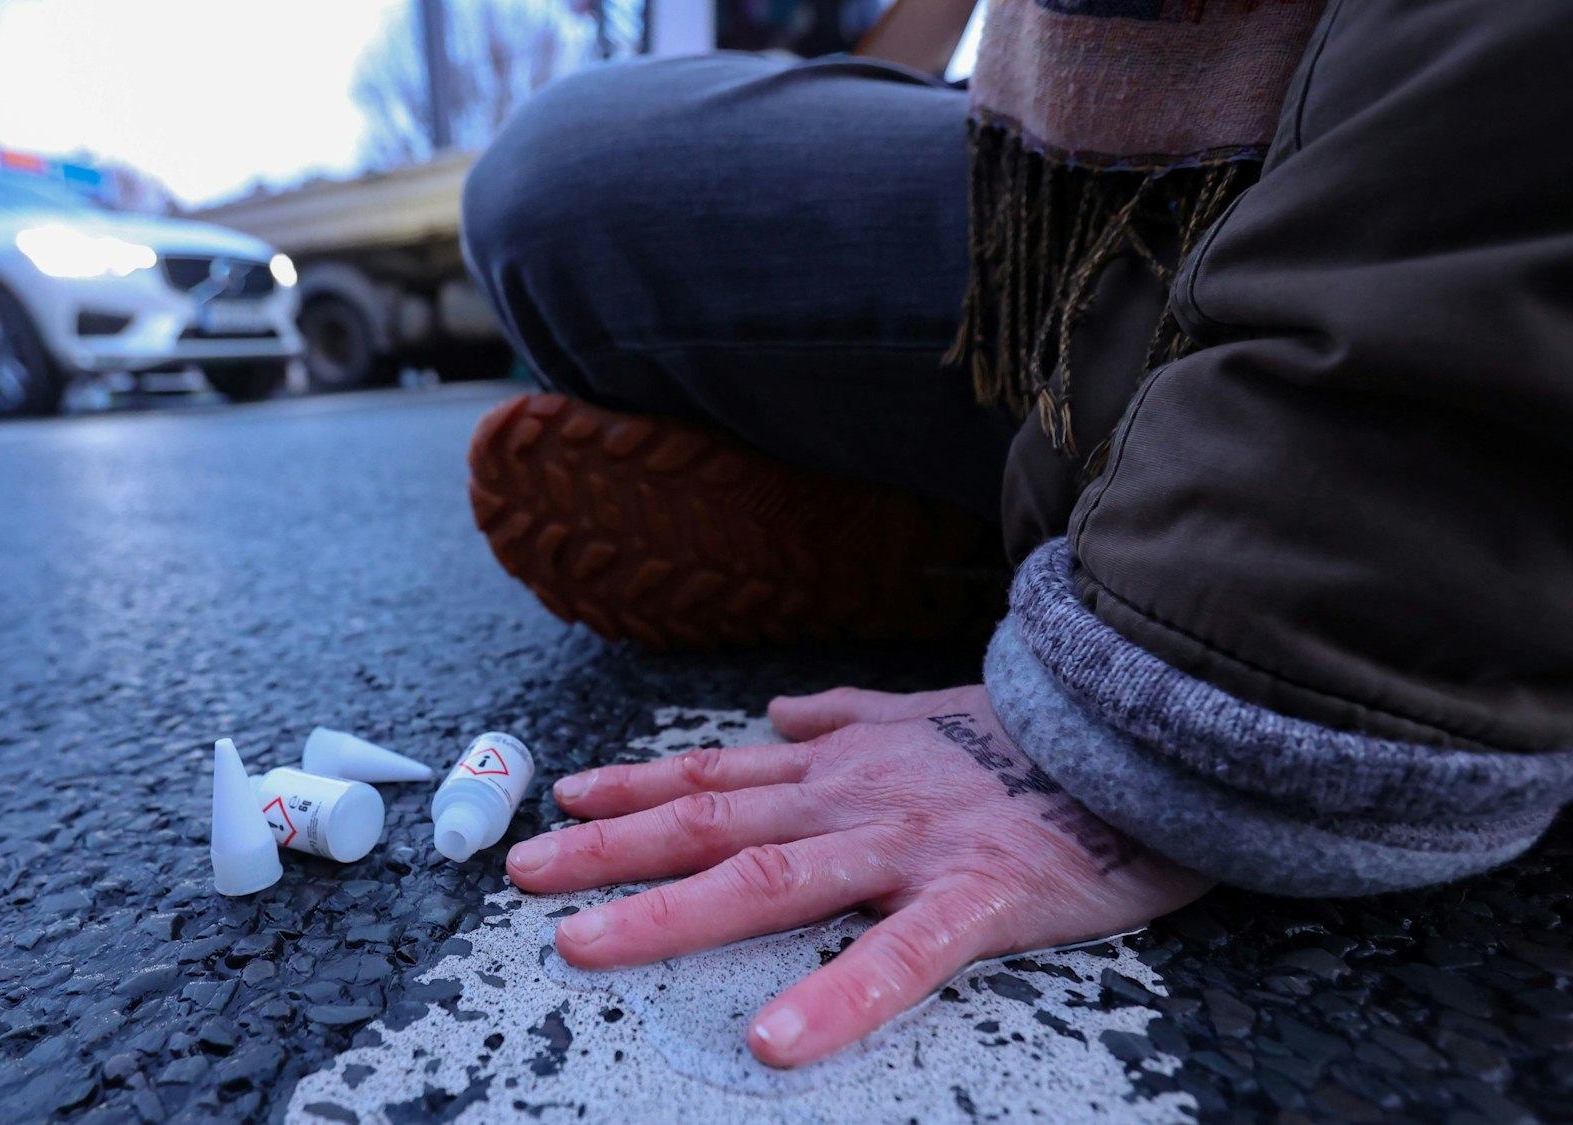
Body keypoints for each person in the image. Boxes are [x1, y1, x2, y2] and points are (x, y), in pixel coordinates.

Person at [457, 0, 1573, 1069]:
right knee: (566, 183)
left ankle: (1081, 551)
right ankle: (1065, 530)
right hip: (1142, 190)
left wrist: (1160, 710)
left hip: (1411, 201)